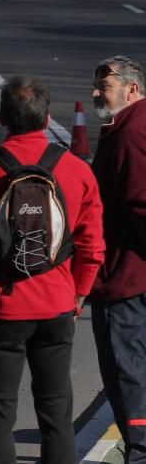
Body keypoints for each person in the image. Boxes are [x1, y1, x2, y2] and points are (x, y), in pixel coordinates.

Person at [0, 75, 105, 464]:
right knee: (57, 414)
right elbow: (92, 245)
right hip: (57, 306)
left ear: (2, 116)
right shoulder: (75, 169)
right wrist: (78, 293)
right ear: (47, 116)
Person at [88, 55, 146, 464]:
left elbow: (140, 203)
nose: (95, 93)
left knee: (126, 371)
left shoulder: (130, 133)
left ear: (131, 89)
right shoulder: (125, 127)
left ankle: (140, 451)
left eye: (104, 86)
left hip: (126, 275)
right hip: (130, 272)